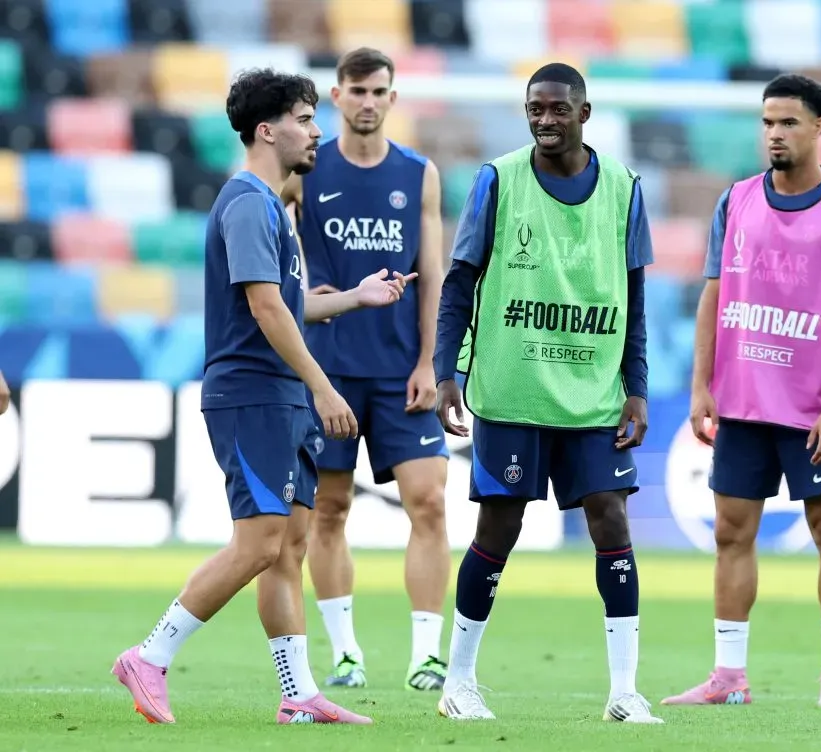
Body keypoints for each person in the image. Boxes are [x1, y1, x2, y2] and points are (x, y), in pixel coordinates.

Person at [111, 68, 416, 726]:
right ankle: (150, 656)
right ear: (267, 129)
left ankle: (298, 692)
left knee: (290, 547)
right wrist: (323, 383)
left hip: (278, 396)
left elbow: (291, 303)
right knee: (258, 544)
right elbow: (265, 307)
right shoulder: (250, 202)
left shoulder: (271, 207)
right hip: (253, 394)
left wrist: (354, 297)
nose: (317, 131)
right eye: (307, 119)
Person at [431, 63, 661, 725]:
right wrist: (447, 370)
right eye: (535, 108)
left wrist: (636, 390)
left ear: (584, 113)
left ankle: (624, 692)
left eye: (558, 109)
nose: (545, 119)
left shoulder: (624, 188)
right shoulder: (497, 182)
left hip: (591, 392)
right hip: (512, 389)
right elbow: (458, 282)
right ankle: (459, 681)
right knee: (499, 526)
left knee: (611, 519)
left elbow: (636, 297)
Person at [661, 74, 821, 710]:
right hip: (743, 400)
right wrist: (701, 386)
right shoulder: (735, 202)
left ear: (819, 128)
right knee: (731, 531)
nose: (775, 134)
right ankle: (729, 677)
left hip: (816, 405)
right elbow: (714, 295)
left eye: (788, 123)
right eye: (767, 123)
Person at [281, 47, 450, 692]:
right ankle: (346, 651)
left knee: (429, 502)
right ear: (336, 97)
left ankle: (426, 656)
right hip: (328, 367)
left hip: (400, 369)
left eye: (379, 91)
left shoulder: (419, 173)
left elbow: (433, 273)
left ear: (393, 98)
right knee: (329, 508)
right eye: (357, 91)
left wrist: (431, 361)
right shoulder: (305, 171)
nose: (368, 102)